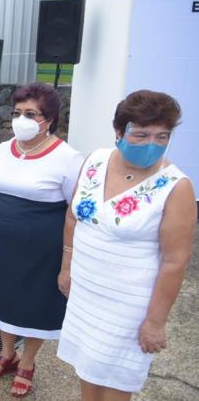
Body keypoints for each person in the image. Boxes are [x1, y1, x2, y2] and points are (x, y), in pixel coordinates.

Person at [57, 90, 196, 400]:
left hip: (129, 306)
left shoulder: (176, 187)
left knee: (117, 381)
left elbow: (175, 261)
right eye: (141, 134)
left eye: (162, 136)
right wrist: (66, 267)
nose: (152, 144)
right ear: (118, 132)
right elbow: (72, 217)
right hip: (87, 293)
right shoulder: (95, 161)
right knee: (88, 369)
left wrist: (156, 322)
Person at [0, 83, 84, 397]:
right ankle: (7, 354)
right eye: (17, 113)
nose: (21, 119)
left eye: (30, 114)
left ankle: (27, 362)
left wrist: (69, 260)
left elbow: (75, 213)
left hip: (43, 250)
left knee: (35, 305)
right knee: (4, 299)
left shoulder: (68, 158)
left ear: (49, 119)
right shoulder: (5, 149)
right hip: (3, 246)